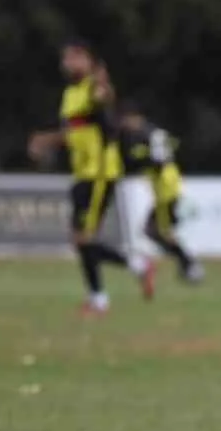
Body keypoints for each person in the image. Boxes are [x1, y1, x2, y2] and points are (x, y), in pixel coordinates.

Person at [27, 42, 153, 315]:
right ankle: (116, 282)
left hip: (99, 172)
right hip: (82, 171)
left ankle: (111, 288)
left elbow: (104, 100)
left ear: (89, 61)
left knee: (84, 238)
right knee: (80, 239)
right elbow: (73, 132)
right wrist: (46, 140)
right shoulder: (70, 94)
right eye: (66, 58)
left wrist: (103, 84)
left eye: (76, 57)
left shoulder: (92, 89)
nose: (69, 63)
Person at [116, 101, 202, 285]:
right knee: (156, 231)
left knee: (156, 231)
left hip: (166, 189)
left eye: (126, 120)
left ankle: (190, 265)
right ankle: (187, 265)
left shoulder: (147, 135)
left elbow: (159, 161)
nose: (125, 125)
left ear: (135, 118)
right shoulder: (150, 134)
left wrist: (137, 163)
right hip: (166, 187)